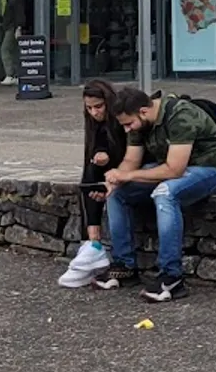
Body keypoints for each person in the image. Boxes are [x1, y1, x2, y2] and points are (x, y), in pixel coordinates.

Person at [96, 87, 216, 302]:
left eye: (128, 124)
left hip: (210, 169)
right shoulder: (138, 123)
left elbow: (174, 170)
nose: (126, 130)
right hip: (171, 167)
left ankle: (172, 276)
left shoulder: (181, 115)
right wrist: (116, 179)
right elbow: (131, 161)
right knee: (118, 194)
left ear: (143, 111)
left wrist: (128, 176)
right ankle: (124, 265)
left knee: (165, 193)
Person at [57, 80, 128, 288]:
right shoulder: (93, 121)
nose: (94, 112)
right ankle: (92, 241)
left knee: (99, 176)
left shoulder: (121, 115)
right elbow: (95, 147)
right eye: (89, 108)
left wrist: (109, 158)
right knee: (89, 174)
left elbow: (132, 152)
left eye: (98, 106)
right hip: (106, 164)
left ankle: (94, 247)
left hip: (130, 163)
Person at [0, 0, 23, 86]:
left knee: (5, 49)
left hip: (12, 28)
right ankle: (16, 74)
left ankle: (10, 74)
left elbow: (20, 13)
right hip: (9, 26)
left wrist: (19, 27)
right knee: (13, 51)